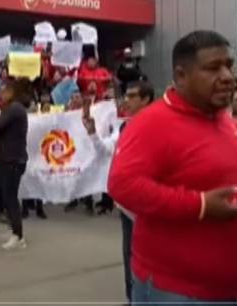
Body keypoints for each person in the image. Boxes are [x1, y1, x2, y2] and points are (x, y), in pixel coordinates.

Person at [108, 30, 237, 303]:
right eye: (213, 68)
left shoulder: (223, 118)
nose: (227, 76)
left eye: (229, 65)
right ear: (181, 76)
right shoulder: (151, 123)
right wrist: (200, 205)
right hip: (179, 293)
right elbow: (123, 186)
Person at [101, 80, 154, 304]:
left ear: (146, 100)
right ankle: (132, 298)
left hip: (150, 202)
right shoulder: (124, 126)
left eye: (132, 96)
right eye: (126, 96)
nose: (126, 100)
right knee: (129, 254)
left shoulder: (158, 125)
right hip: (127, 204)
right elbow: (111, 151)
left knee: (151, 256)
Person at [0, 78, 32, 250]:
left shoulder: (15, 108)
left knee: (10, 197)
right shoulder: (9, 108)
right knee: (4, 195)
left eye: (5, 90)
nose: (2, 94)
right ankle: (13, 229)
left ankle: (18, 237)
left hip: (13, 159)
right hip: (5, 158)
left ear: (13, 92)